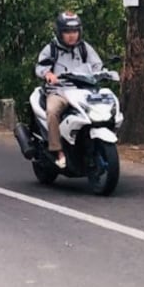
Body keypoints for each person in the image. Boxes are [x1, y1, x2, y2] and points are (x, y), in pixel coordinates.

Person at [35, 11, 104, 170]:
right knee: (52, 111)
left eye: (75, 31)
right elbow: (40, 67)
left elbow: (97, 65)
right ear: (60, 32)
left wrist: (101, 74)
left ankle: (89, 142)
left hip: (82, 91)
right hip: (60, 91)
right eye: (67, 32)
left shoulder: (84, 48)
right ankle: (58, 151)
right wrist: (49, 74)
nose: (72, 35)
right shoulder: (51, 49)